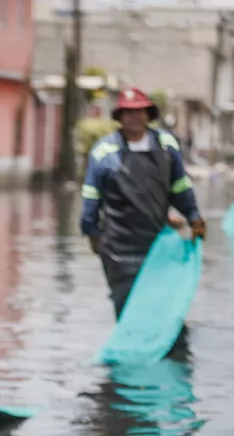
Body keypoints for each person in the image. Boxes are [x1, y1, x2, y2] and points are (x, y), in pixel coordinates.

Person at [80, 87, 206, 319]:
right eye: (127, 112)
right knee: (127, 312)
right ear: (119, 117)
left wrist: (194, 217)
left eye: (139, 111)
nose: (133, 117)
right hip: (119, 251)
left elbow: (179, 187)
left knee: (161, 310)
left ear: (148, 114)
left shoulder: (167, 145)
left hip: (158, 247)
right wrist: (91, 232)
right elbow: (91, 197)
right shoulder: (104, 152)